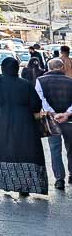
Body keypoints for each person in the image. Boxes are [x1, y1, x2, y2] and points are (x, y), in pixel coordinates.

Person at [0, 56, 48, 197]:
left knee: (5, 151)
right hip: (24, 123)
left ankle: (6, 184)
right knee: (24, 152)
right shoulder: (25, 84)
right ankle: (24, 188)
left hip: (1, 122)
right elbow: (36, 104)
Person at [35, 58, 72, 191]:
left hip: (51, 120)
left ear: (48, 68)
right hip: (69, 120)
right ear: (62, 68)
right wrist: (67, 114)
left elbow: (40, 99)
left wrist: (53, 113)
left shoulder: (40, 81)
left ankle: (59, 179)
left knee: (55, 150)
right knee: (71, 148)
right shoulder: (70, 81)